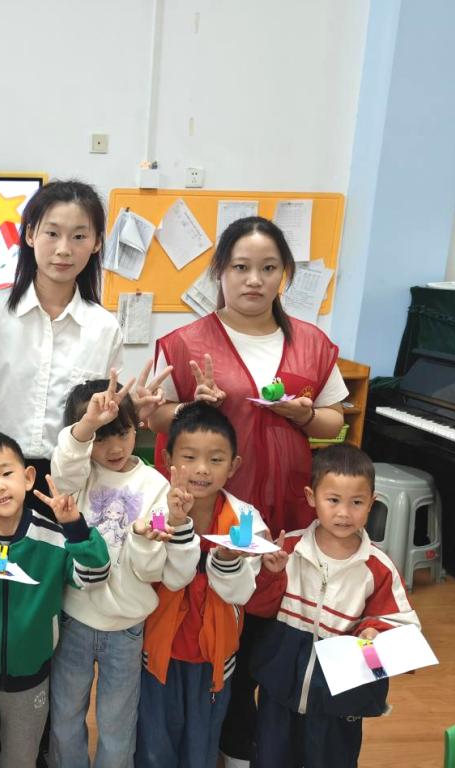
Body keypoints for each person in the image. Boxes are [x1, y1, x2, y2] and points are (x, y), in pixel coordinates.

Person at [145, 216, 348, 765]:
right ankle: (208, 738)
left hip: (285, 506)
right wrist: (192, 407)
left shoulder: (311, 342)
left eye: (268, 268)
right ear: (220, 271)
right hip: (210, 513)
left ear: (284, 274)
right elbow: (154, 417)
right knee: (208, 624)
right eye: (240, 267)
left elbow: (334, 418)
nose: (254, 279)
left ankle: (245, 744)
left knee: (271, 626)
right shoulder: (185, 342)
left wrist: (306, 416)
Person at [0, 179, 169, 515]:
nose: (64, 249)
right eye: (52, 233)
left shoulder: (103, 328)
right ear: (30, 235)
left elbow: (98, 412)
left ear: (97, 243)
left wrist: (130, 411)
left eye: (79, 236)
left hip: (68, 484)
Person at [48, 374, 200, 767]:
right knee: (64, 717)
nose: (114, 447)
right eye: (101, 437)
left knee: (117, 724)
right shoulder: (80, 473)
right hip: (76, 617)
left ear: (138, 427)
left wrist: (143, 539)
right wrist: (87, 425)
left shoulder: (156, 486)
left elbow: (153, 570)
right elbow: (63, 469)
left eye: (123, 433)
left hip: (127, 627)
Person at [0, 431, 111, 768]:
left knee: (22, 756)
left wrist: (76, 528)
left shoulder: (53, 536)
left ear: (28, 477)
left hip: (31, 673)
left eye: (7, 473)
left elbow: (94, 576)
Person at [246, 445, 419, 768]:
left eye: (357, 502)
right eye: (334, 500)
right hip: (278, 691)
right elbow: (257, 608)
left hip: (341, 702)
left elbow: (405, 629)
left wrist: (374, 632)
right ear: (311, 497)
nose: (344, 513)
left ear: (372, 502)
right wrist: (271, 575)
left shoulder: (378, 567)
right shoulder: (289, 549)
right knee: (269, 759)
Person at [135, 403, 267, 768]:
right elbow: (172, 578)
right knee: (154, 743)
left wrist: (227, 559)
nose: (202, 469)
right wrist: (179, 526)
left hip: (215, 657)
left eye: (216, 459)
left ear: (234, 466)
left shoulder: (245, 519)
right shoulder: (156, 512)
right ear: (168, 460)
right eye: (190, 457)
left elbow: (241, 593)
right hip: (159, 650)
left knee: (202, 744)